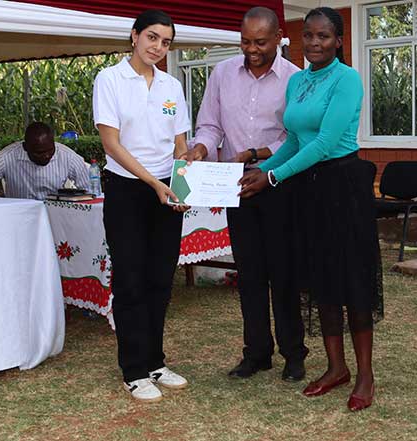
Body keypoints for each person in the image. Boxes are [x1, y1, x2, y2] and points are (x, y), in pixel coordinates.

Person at [239, 7, 380, 412]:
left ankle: (365, 375)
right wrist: (258, 170)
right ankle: (336, 368)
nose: (315, 44)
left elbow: (324, 144)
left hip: (342, 185)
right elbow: (295, 141)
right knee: (321, 281)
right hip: (309, 189)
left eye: (324, 37)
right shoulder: (297, 81)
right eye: (310, 37)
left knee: (352, 281)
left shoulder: (347, 79)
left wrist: (273, 178)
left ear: (338, 41)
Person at [182, 7, 308, 382]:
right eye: (245, 41)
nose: (251, 49)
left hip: (279, 183)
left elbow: (296, 137)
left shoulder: (296, 80)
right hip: (235, 184)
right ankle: (256, 353)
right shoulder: (223, 73)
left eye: (260, 42)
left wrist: (258, 156)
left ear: (279, 36)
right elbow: (209, 126)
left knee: (283, 273)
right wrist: (199, 151)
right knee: (249, 272)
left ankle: (293, 353)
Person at [92, 9, 191, 403]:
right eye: (152, 37)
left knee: (160, 281)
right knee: (131, 281)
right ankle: (133, 370)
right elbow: (111, 144)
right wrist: (153, 183)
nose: (158, 47)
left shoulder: (171, 85)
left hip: (166, 191)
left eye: (165, 42)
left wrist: (180, 185)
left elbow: (180, 144)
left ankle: (155, 362)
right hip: (128, 189)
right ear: (134, 36)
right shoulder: (110, 79)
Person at [0, 122, 90, 200]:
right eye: (39, 152)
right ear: (25, 147)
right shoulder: (6, 158)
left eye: (50, 150)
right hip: (18, 220)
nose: (46, 156)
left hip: (56, 218)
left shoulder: (68, 156)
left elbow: (91, 191)